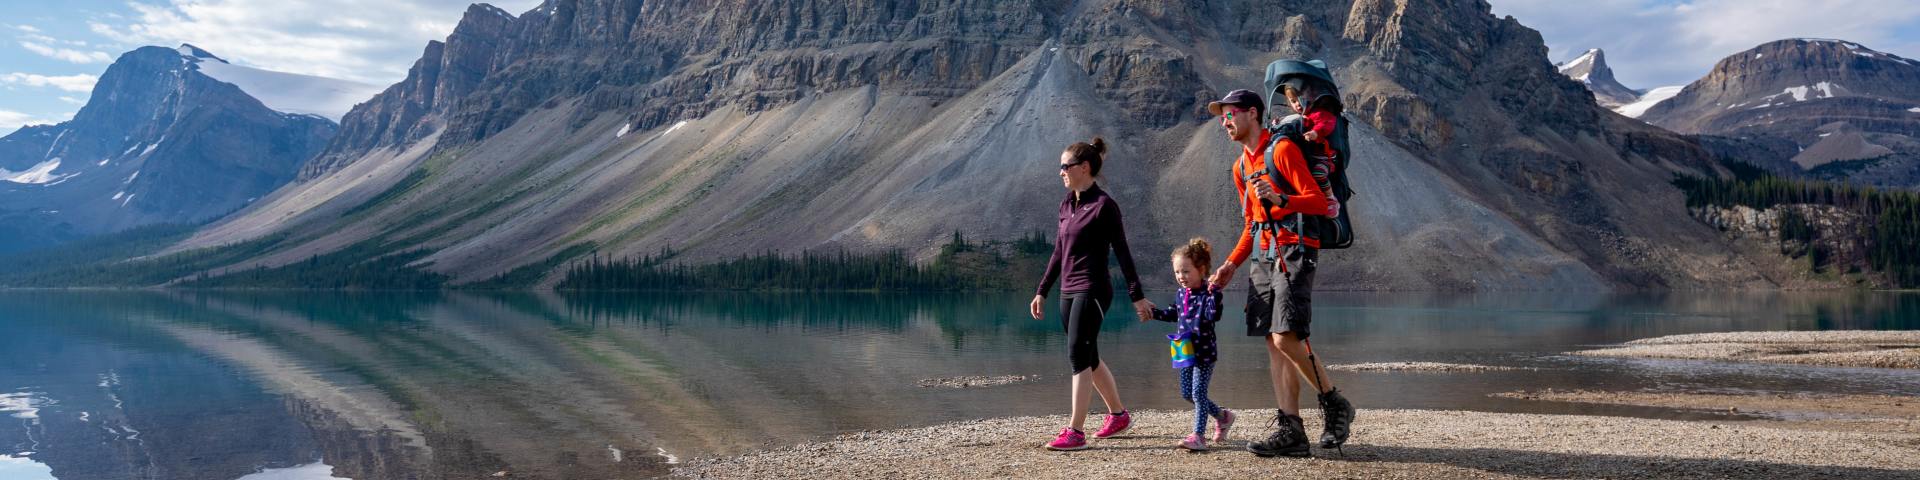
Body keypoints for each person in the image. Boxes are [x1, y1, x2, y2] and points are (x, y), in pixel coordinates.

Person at [1204, 89, 1356, 458]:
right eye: (1222, 116)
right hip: (1263, 254)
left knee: (1286, 336)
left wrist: (1281, 198)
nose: (1225, 121)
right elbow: (1251, 225)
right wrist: (1229, 264)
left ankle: (1335, 403)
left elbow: (1319, 203)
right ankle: (1292, 430)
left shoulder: (1282, 151)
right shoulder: (1241, 166)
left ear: (1252, 114)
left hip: (1296, 248)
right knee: (1273, 344)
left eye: (1231, 114)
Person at [1030, 137, 1155, 451]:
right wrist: (1042, 291)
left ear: (1084, 168)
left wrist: (1136, 295)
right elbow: (1059, 252)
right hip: (1068, 290)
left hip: (1094, 289)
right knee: (1089, 355)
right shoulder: (1066, 204)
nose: (1060, 171)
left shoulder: (1104, 206)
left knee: (1077, 356)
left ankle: (1075, 431)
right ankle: (1119, 415)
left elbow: (1123, 252)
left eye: (1065, 166)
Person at [1143, 238, 1233, 451]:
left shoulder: (1208, 293)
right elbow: (1174, 313)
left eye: (1185, 271)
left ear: (1201, 269)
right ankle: (1223, 416)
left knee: (1198, 394)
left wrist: (1216, 293)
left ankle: (1198, 436)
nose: (1180, 277)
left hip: (1204, 352)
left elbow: (1213, 315)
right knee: (1187, 394)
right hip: (1182, 349)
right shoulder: (1181, 293)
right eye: (1177, 272)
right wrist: (1153, 313)